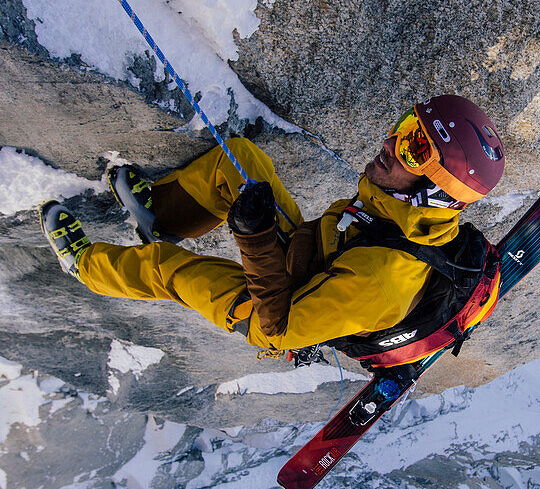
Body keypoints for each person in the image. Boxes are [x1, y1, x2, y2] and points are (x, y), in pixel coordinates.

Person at [40, 96, 505, 356]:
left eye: (414, 150)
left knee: (171, 271)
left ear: (437, 192)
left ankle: (84, 266)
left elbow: (279, 329)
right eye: (405, 127)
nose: (389, 142)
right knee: (239, 160)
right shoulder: (398, 202)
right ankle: (159, 218)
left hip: (278, 313)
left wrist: (255, 236)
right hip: (310, 261)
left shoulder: (380, 283)